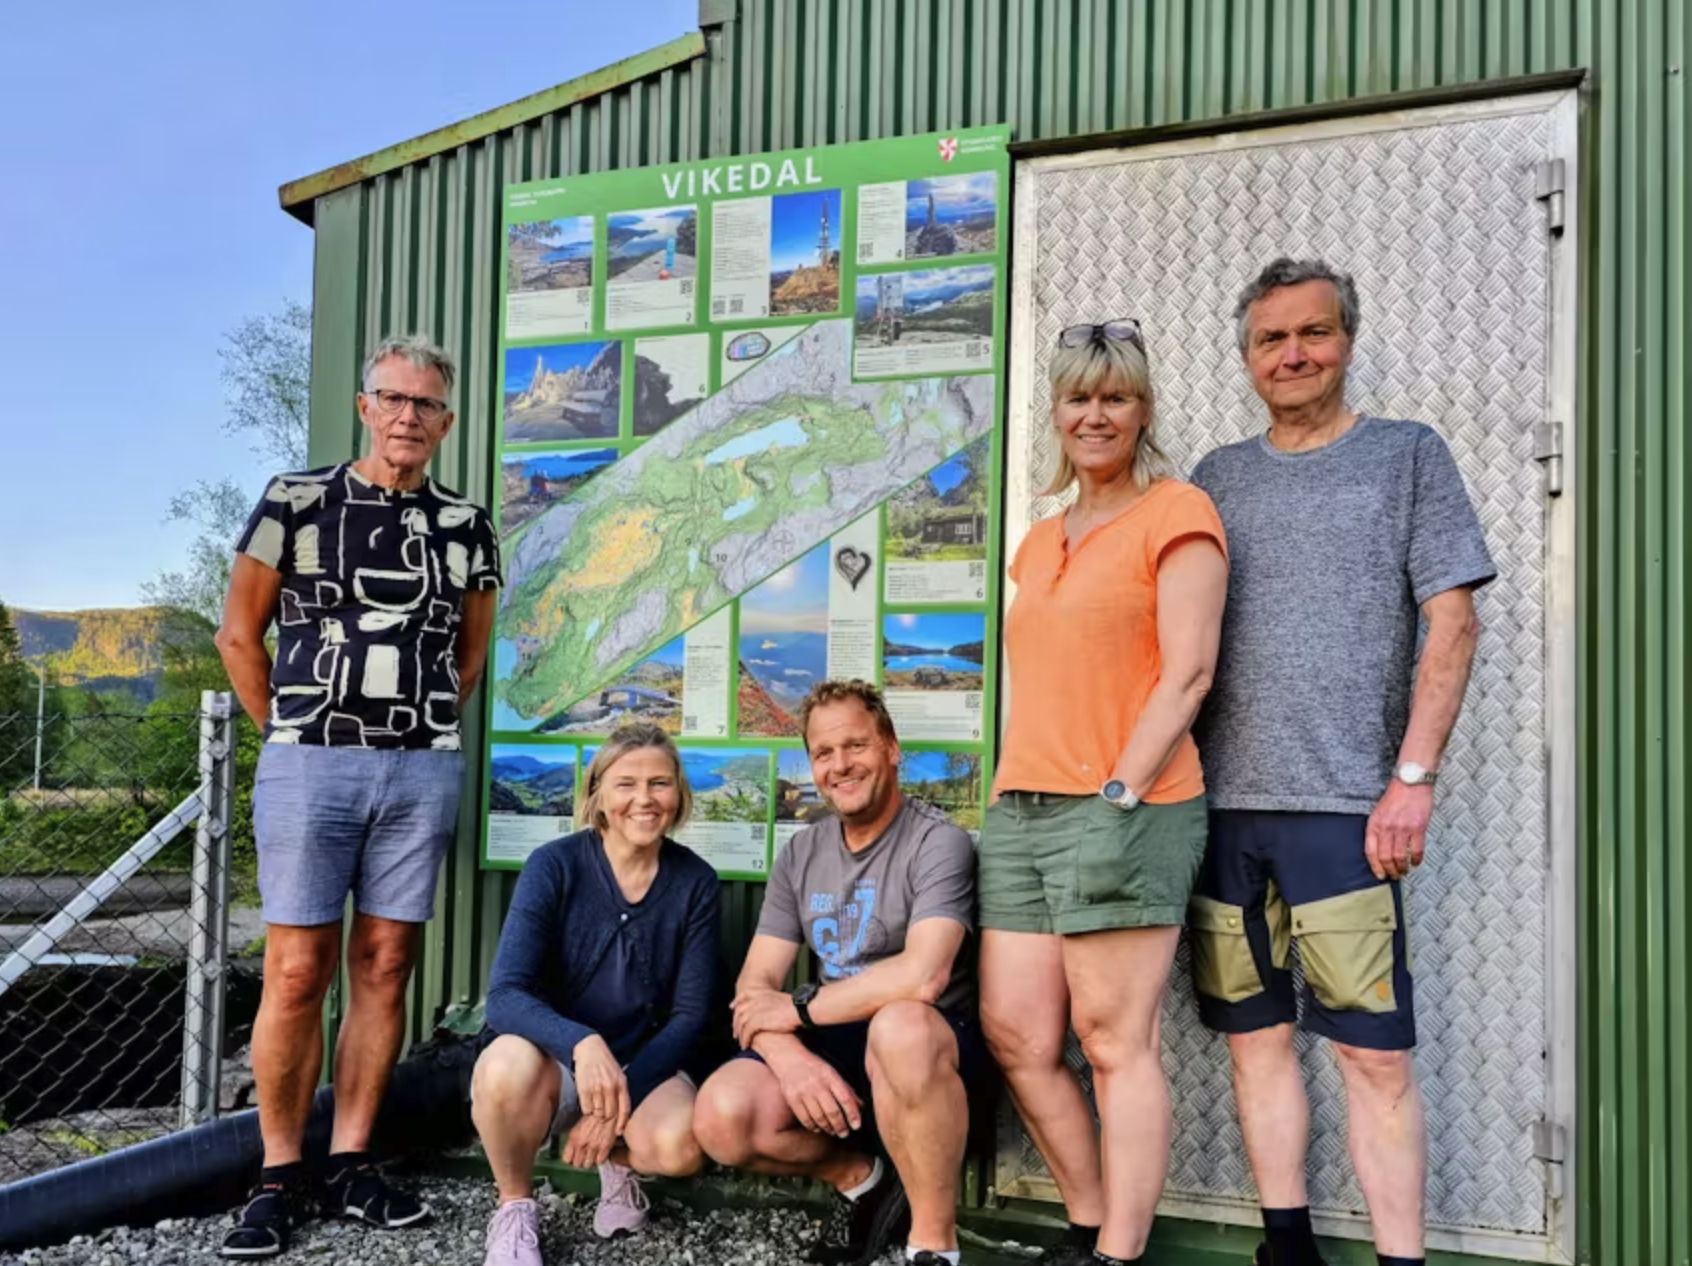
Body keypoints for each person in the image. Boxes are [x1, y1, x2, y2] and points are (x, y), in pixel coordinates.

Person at [1188, 258, 1495, 1266]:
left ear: (1347, 341)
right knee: (1255, 1042)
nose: (1293, 354)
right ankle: (1288, 1247)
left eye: (1312, 333)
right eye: (1271, 339)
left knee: (1375, 1059)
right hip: (1221, 816)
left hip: (1346, 817)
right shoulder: (1216, 479)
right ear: (1246, 357)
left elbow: (1453, 622)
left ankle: (1400, 1261)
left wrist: (1411, 780)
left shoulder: (1407, 457)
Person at [215, 334, 502, 1258]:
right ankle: (277, 1172)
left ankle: (350, 1162)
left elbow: (470, 649)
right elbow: (236, 635)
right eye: (394, 398)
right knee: (298, 973)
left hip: (419, 767)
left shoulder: (468, 524)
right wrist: (292, 732)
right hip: (311, 763)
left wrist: (418, 728)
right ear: (364, 404)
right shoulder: (294, 501)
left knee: (384, 966)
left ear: (446, 422)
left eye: (426, 405)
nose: (409, 416)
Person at [977, 320, 1229, 1266]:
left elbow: (1190, 673)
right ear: (1058, 412)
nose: (1095, 414)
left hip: (1127, 804)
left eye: (1114, 397)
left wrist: (1121, 788)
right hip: (1022, 809)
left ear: (1142, 410)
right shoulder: (1040, 540)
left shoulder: (1179, 513)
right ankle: (1088, 1223)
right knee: (1019, 1035)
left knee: (1113, 1040)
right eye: (1079, 397)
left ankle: (1120, 1253)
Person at [691, 680, 984, 1266]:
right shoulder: (801, 853)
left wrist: (797, 1012)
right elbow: (755, 987)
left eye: (856, 746)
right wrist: (788, 1054)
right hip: (836, 1036)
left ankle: (932, 1244)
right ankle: (866, 1182)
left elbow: (924, 976)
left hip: (929, 1046)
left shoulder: (938, 842)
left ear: (892, 749)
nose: (840, 765)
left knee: (899, 1026)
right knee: (721, 1116)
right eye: (824, 754)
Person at [471, 722, 721, 1266]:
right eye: (626, 784)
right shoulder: (554, 865)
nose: (644, 799)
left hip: (641, 1062)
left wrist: (615, 1102)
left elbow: (691, 1015)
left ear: (678, 793)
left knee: (681, 1146)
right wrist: (581, 1044)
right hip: (557, 1061)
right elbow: (506, 995)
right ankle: (514, 1209)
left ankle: (616, 1162)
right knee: (500, 1066)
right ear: (598, 794)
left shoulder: (695, 881)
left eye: (660, 783)